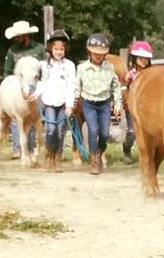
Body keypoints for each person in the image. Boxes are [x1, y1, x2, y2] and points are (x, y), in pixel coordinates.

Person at [75, 32, 122, 175]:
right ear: (89, 52)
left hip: (104, 104)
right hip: (89, 103)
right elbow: (77, 86)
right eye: (95, 53)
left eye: (101, 54)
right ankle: (94, 159)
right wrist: (72, 104)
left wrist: (117, 104)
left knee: (104, 132)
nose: (98, 56)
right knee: (93, 130)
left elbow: (116, 86)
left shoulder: (109, 67)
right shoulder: (82, 68)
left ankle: (100, 151)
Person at [3, 20, 47, 155]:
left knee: (34, 117)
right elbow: (8, 71)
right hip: (18, 86)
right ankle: (18, 149)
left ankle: (31, 148)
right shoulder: (12, 51)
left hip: (36, 86)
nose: (17, 39)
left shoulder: (39, 49)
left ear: (26, 35)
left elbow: (44, 69)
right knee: (17, 119)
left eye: (18, 36)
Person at [37, 29, 76, 172]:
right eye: (56, 49)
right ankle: (49, 156)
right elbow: (41, 83)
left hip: (63, 103)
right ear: (50, 48)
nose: (59, 52)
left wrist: (69, 105)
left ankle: (58, 158)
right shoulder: (44, 65)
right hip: (49, 102)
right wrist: (36, 94)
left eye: (61, 49)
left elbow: (71, 85)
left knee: (60, 131)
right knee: (51, 129)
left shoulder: (70, 65)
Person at [122, 40, 154, 165]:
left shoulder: (152, 73)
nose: (143, 61)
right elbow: (125, 89)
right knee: (133, 132)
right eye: (140, 58)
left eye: (146, 59)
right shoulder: (131, 74)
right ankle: (126, 149)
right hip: (133, 107)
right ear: (134, 58)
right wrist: (127, 102)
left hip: (148, 107)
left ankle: (147, 155)